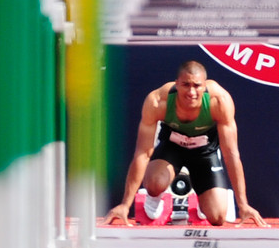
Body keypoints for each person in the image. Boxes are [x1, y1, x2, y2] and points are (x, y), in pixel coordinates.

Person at [105, 60, 267, 227]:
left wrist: (243, 205)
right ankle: (154, 198)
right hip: (172, 148)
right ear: (176, 84)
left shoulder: (219, 101)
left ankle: (203, 200)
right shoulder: (157, 101)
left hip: (205, 151)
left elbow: (231, 154)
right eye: (185, 85)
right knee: (154, 183)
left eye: (196, 86)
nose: (191, 92)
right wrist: (125, 204)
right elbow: (142, 153)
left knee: (217, 217)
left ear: (205, 86)